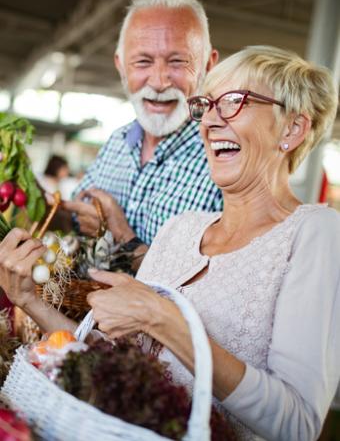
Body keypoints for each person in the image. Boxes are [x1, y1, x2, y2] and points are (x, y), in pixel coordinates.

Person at [1, 45, 339, 441]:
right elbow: (119, 368)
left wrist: (164, 320)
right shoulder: (179, 229)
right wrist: (30, 301)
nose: (210, 121)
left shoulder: (315, 232)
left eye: (233, 102)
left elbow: (297, 425)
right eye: (206, 105)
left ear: (293, 129)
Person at [60, 0, 221, 263]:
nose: (159, 82)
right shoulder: (117, 141)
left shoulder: (224, 159)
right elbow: (71, 222)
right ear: (121, 66)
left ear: (208, 65)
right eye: (143, 61)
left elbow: (211, 287)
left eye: (178, 61)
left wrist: (121, 233)